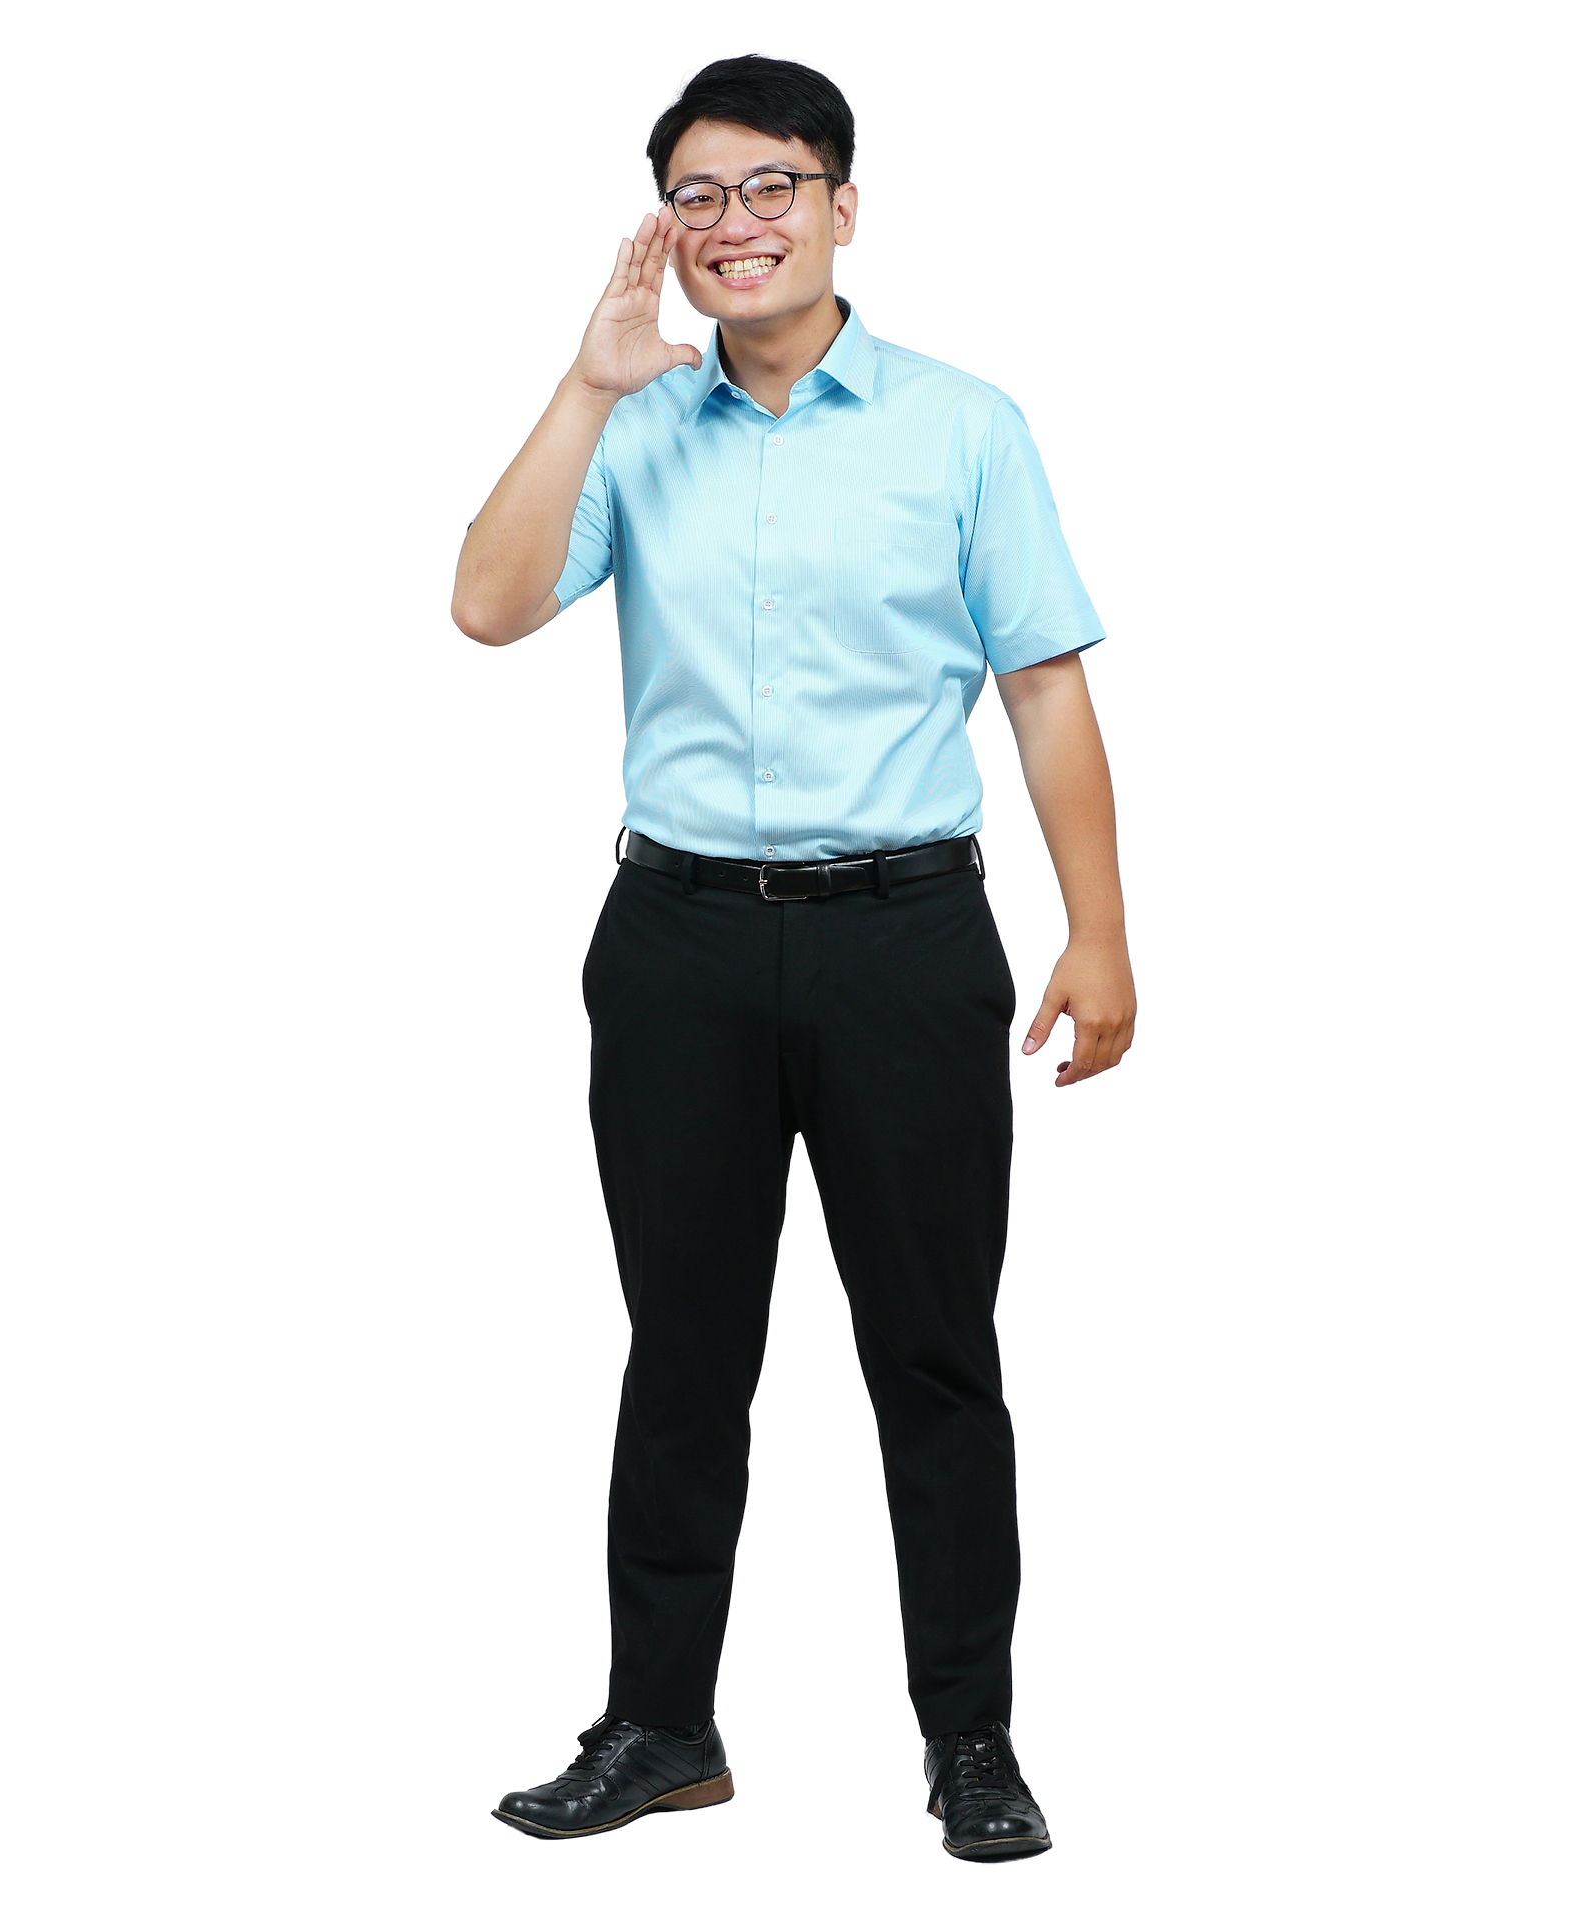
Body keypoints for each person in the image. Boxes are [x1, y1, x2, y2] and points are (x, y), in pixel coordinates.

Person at [453, 54, 1135, 1863]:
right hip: (674, 944)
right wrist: (584, 387)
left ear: (842, 206)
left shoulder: (961, 425)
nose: (735, 221)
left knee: (935, 1354)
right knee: (682, 1353)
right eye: (699, 193)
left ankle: (971, 1740)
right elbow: (488, 606)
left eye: (771, 186)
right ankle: (660, 1727)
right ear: (667, 227)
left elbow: (1044, 687)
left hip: (905, 940)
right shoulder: (635, 425)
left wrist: (1099, 929)